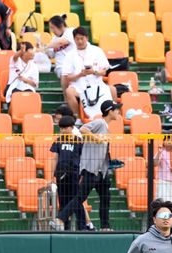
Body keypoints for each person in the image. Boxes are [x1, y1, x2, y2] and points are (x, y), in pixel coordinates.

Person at [54, 100, 120, 231]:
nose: (118, 112)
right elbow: (83, 129)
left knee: (105, 198)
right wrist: (97, 138)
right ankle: (60, 218)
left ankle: (105, 227)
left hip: (102, 170)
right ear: (110, 111)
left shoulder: (105, 127)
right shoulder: (100, 122)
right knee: (80, 197)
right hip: (91, 169)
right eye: (116, 109)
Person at [61, 27, 117, 119]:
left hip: (96, 83)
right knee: (69, 91)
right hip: (78, 85)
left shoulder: (97, 50)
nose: (79, 41)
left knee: (113, 90)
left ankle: (113, 115)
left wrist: (93, 72)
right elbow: (68, 77)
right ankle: (77, 117)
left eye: (82, 38)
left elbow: (104, 71)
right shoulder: (70, 55)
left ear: (86, 38)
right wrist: (80, 74)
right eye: (77, 39)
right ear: (74, 39)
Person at [49, 115, 84, 230]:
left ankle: (82, 226)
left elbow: (82, 158)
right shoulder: (58, 141)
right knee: (63, 200)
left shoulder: (79, 141)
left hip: (74, 174)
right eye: (61, 128)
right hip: (61, 174)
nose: (63, 130)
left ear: (72, 127)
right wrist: (52, 175)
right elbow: (55, 158)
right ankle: (65, 227)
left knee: (76, 200)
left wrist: (82, 174)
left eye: (66, 128)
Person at [48, 15, 76, 82]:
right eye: (50, 28)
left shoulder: (71, 32)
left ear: (60, 26)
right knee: (65, 74)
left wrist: (44, 47)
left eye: (53, 28)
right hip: (61, 67)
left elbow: (61, 42)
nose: (52, 30)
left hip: (74, 64)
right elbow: (51, 55)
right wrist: (43, 49)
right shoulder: (53, 39)